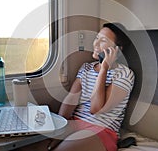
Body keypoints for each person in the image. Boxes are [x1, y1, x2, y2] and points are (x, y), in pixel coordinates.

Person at [17, 23, 134, 151]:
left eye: (103, 40)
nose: (95, 44)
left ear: (117, 50)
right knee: (29, 146)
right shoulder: (86, 68)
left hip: (101, 130)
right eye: (97, 38)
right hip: (74, 123)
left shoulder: (125, 74)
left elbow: (96, 108)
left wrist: (104, 68)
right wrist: (59, 128)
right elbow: (70, 100)